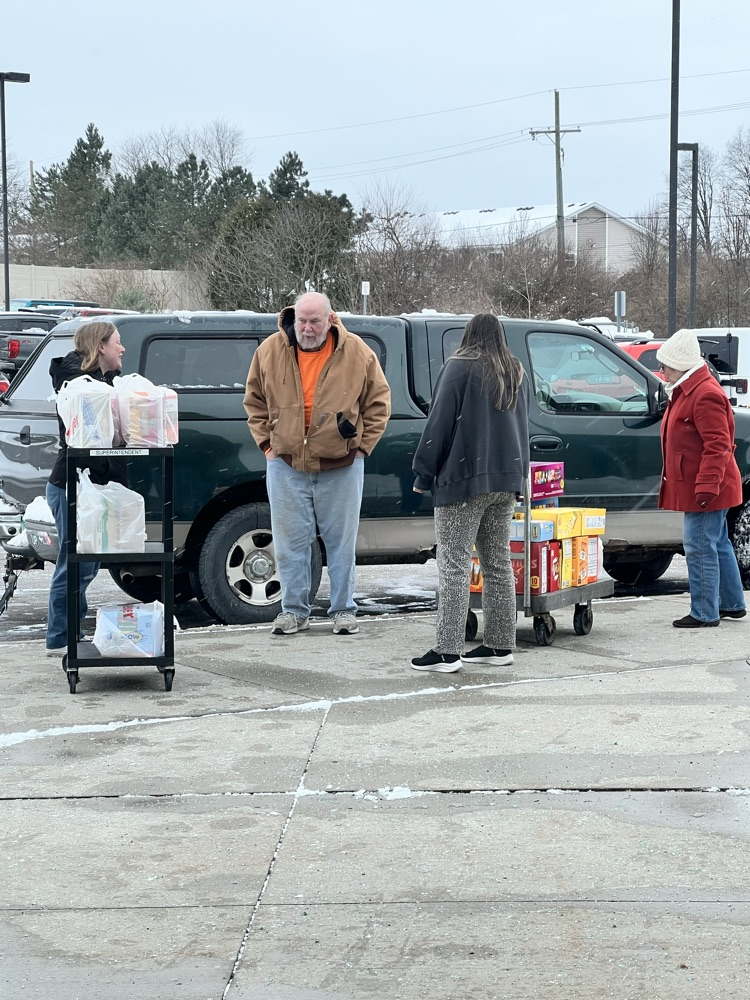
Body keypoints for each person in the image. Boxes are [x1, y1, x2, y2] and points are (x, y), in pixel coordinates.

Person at [243, 291, 391, 636]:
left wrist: (361, 448)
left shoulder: (357, 352)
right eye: (301, 321)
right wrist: (267, 444)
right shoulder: (269, 351)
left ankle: (343, 610)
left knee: (341, 543)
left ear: (330, 319)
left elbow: (379, 403)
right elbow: (254, 400)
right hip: (286, 464)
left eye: (314, 321)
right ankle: (293, 611)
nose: (307, 329)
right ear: (292, 318)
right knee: (289, 543)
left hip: (342, 464)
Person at [410, 313, 530, 672]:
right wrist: (519, 477)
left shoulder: (460, 367)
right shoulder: (514, 370)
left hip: (464, 478)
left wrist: (423, 471)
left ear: (469, 334)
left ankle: (447, 651)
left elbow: (440, 422)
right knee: (498, 563)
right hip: (505, 479)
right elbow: (523, 425)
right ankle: (499, 645)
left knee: (454, 563)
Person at [45, 321, 127, 655]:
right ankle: (59, 638)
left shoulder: (105, 383)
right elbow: (89, 437)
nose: (123, 349)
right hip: (71, 485)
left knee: (88, 563)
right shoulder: (78, 385)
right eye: (118, 343)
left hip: (94, 486)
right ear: (101, 347)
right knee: (75, 561)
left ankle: (69, 633)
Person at [656, 328, 746, 628]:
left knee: (699, 545)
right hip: (708, 483)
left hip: (708, 486)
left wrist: (707, 487)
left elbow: (718, 446)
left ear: (681, 364)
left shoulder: (704, 394)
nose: (662, 370)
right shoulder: (689, 389)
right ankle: (732, 604)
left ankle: (705, 611)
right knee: (717, 542)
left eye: (666, 364)